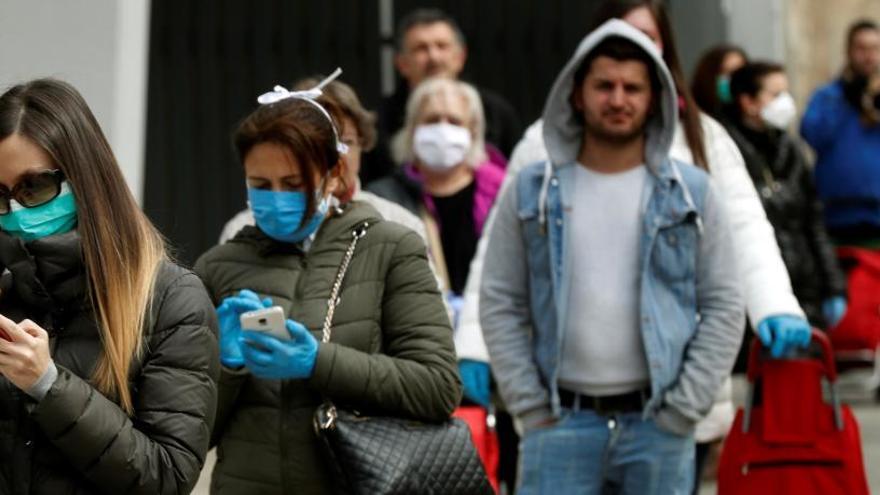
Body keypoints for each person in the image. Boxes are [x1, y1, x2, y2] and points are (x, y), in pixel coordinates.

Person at [462, 0, 814, 488]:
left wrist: (775, 305)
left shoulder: (701, 144)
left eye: (646, 39)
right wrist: (492, 364)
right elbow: (498, 282)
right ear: (579, 89)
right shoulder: (537, 157)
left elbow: (743, 242)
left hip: (663, 419)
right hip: (560, 422)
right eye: (605, 84)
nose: (618, 97)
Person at [194, 73, 461, 494]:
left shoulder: (391, 247)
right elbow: (189, 435)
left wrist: (315, 361)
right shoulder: (220, 265)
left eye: (294, 185)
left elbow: (437, 388)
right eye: (260, 186)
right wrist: (225, 369)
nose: (276, 198)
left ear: (334, 174)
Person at [0, 79, 219, 494]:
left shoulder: (171, 300)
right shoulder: (7, 285)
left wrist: (48, 384)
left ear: (83, 179)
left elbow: (168, 476)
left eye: (34, 187)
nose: (15, 212)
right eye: (0, 195)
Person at [368, 77, 504, 410]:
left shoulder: (503, 196)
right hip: (416, 363)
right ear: (411, 130)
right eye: (431, 120)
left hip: (496, 366)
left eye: (454, 121)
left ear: (474, 132)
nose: (443, 130)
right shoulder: (384, 198)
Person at [219, 77, 428, 245]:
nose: (334, 155)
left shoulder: (399, 224)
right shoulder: (241, 230)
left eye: (344, 141)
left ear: (363, 141)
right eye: (318, 144)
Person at [723, 62, 848, 329]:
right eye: (776, 94)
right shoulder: (724, 150)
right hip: (749, 303)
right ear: (748, 102)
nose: (786, 103)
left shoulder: (789, 149)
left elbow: (813, 221)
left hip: (804, 291)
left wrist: (834, 286)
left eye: (786, 93)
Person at [363, 8, 521, 183]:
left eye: (442, 46)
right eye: (421, 49)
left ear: (461, 56)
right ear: (401, 63)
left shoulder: (495, 113)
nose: (434, 57)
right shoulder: (379, 122)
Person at [802, 19, 880, 244]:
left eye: (874, 49)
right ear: (848, 51)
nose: (869, 56)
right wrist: (845, 101)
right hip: (837, 216)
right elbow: (813, 136)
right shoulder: (828, 96)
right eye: (861, 48)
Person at [692, 45, 748, 119]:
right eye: (727, 72)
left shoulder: (749, 114)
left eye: (740, 73)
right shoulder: (693, 110)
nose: (735, 78)